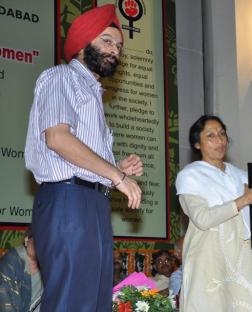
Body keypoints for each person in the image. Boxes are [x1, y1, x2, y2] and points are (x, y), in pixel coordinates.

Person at [24, 4, 143, 311]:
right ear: (82, 44)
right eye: (106, 40)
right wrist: (117, 177)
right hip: (68, 201)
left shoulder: (93, 95)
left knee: (95, 302)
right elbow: (58, 138)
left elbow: (81, 160)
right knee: (72, 302)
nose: (114, 50)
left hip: (93, 203)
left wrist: (115, 169)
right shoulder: (61, 77)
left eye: (118, 45)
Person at [175, 115, 252, 311]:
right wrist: (245, 200)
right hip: (208, 257)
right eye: (210, 135)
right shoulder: (190, 176)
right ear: (197, 144)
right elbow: (202, 219)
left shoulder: (242, 175)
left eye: (222, 134)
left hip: (242, 256)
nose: (219, 140)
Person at [0, 228, 43, 312]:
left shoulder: (48, 265)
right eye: (37, 239)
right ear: (26, 240)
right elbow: (5, 304)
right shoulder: (10, 263)